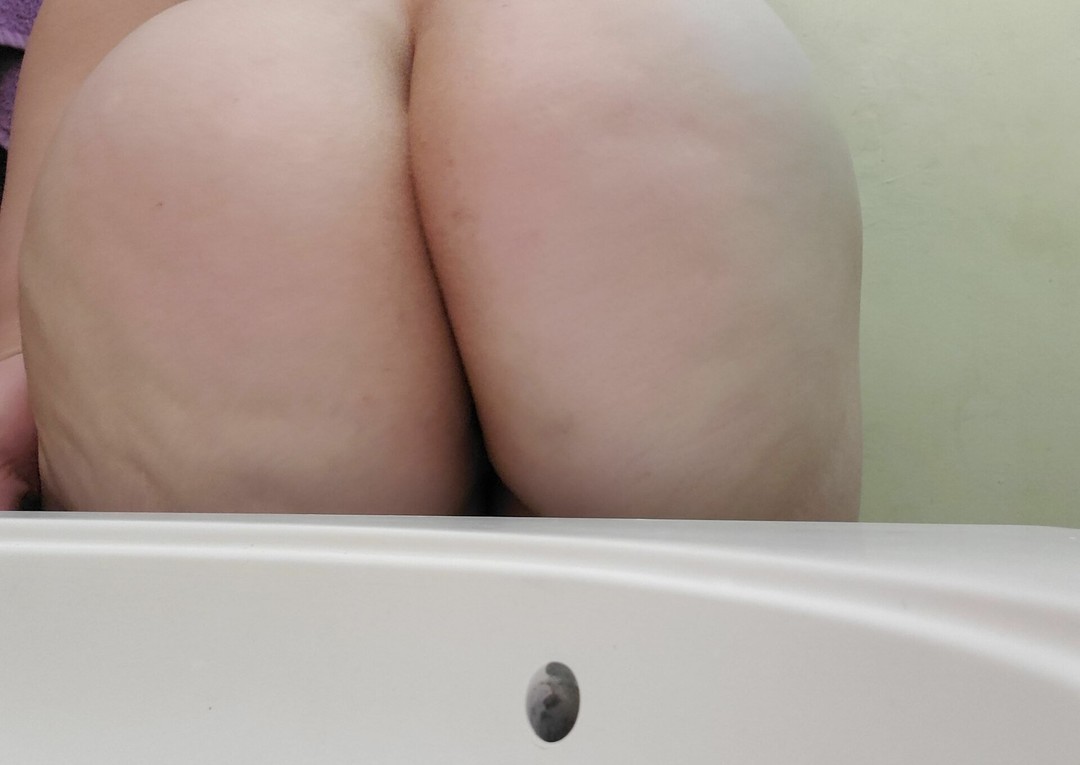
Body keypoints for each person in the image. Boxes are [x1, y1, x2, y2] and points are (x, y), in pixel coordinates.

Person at [0, 0, 863, 519]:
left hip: (226, 81)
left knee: (277, 668)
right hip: (638, 48)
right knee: (682, 625)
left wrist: (16, 354)